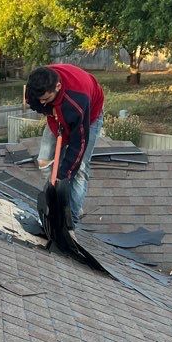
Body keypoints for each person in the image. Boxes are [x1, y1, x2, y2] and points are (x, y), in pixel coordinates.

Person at [24, 64, 105, 226]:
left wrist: (63, 175)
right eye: (40, 99)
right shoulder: (36, 86)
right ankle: (56, 203)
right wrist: (49, 110)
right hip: (57, 113)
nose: (42, 102)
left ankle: (71, 218)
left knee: (79, 169)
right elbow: (34, 102)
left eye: (46, 99)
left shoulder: (78, 100)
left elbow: (78, 145)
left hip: (89, 116)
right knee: (44, 160)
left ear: (58, 86)